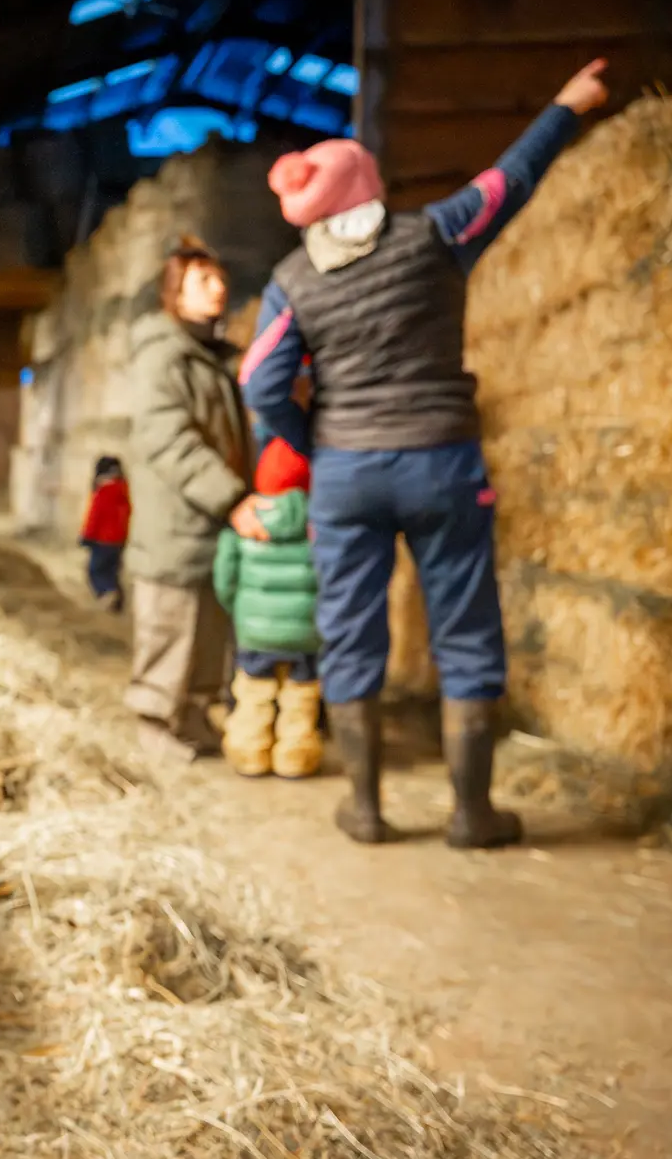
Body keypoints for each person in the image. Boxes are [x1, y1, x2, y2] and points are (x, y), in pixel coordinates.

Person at [240, 59, 610, 846]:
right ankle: (472, 814)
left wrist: (306, 438)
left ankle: (367, 809)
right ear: (369, 188)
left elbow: (259, 378)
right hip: (442, 461)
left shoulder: (292, 280)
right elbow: (510, 181)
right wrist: (566, 105)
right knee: (465, 629)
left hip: (346, 471)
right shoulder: (435, 234)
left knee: (350, 629)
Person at [125, 237, 267, 761]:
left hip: (208, 522)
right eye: (203, 279)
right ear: (174, 293)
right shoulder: (163, 358)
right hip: (176, 523)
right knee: (170, 624)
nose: (220, 287)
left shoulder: (209, 356)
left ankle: (191, 716)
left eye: (220, 277)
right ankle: (154, 722)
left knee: (206, 627)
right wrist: (231, 497)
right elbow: (170, 439)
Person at [214, 433, 322, 779]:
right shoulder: (320, 525)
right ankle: (295, 757)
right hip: (307, 633)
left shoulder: (244, 524)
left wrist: (240, 610)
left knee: (254, 693)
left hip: (255, 632)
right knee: (301, 697)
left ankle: (250, 753)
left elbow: (224, 580)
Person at [78, 455, 130, 612]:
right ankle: (117, 603)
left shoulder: (103, 492)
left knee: (95, 571)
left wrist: (86, 536)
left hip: (102, 540)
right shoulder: (124, 491)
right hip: (119, 541)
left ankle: (107, 594)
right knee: (113, 571)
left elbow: (95, 516)